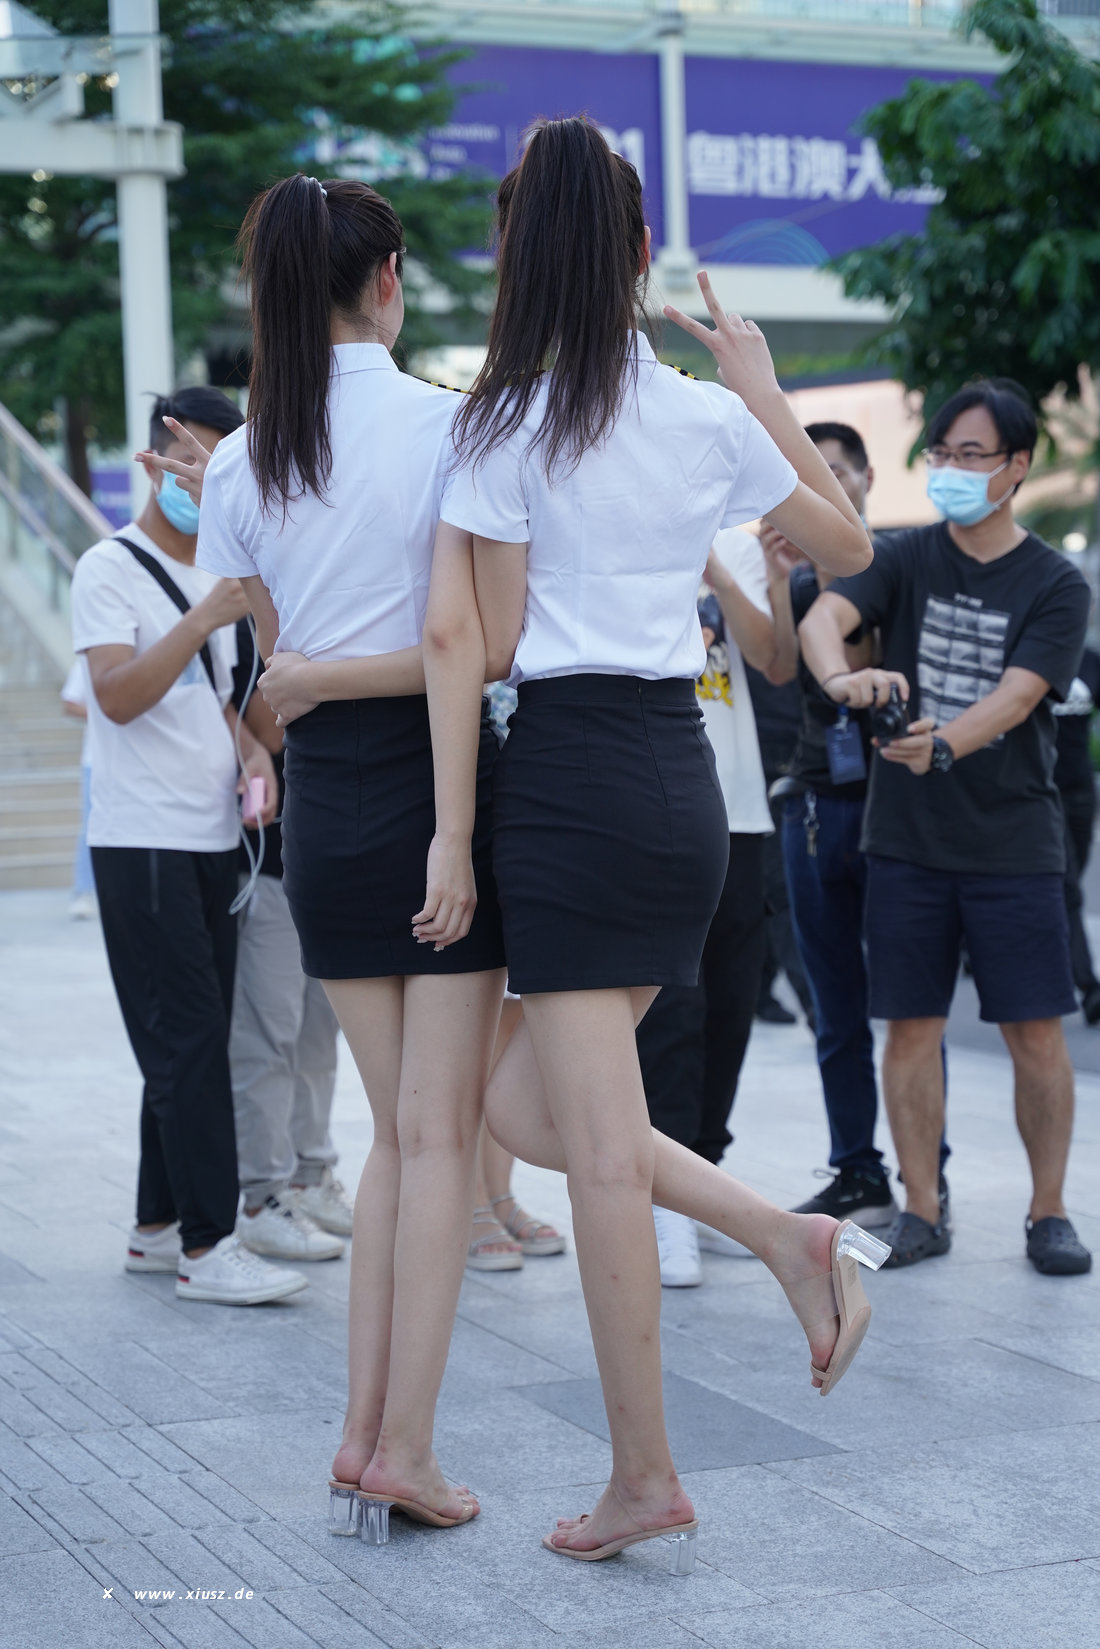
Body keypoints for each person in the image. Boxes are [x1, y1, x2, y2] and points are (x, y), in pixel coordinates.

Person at [423, 118, 885, 1565]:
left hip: (569, 775)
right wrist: (761, 390)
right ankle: (786, 1233)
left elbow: (495, 641)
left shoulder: (499, 423)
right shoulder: (696, 414)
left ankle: (645, 1475)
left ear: (512, 250)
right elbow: (850, 550)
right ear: (632, 251)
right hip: (678, 776)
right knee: (529, 1113)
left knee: (594, 1155)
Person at [194, 173, 508, 1535]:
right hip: (439, 789)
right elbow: (471, 646)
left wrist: (319, 684)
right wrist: (454, 830)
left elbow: (280, 676)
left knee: (400, 1137)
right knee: (437, 1139)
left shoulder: (237, 459)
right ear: (386, 282)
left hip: (323, 809)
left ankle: (363, 1435)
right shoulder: (453, 425)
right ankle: (405, 1450)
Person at [800, 378, 1092, 1277]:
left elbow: (1020, 695)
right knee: (910, 1029)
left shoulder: (1054, 581)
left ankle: (1049, 1210)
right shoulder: (906, 556)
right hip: (907, 843)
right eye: (942, 454)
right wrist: (840, 678)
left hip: (1014, 841)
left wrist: (942, 745)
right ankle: (922, 1208)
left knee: (1035, 1034)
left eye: (972, 455)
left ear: (1016, 466)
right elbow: (825, 617)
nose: (953, 470)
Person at [70, 385, 303, 1307]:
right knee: (193, 1041)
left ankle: (157, 1225)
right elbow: (116, 697)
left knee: (185, 1038)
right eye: (182, 460)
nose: (193, 478)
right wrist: (204, 619)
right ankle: (210, 1246)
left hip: (214, 839)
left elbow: (241, 703)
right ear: (151, 463)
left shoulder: (229, 574)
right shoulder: (108, 568)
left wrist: (256, 750)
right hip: (144, 839)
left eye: (212, 463)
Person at [642, 529, 779, 1287]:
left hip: (741, 807)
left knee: (731, 1001)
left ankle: (706, 1181)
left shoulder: (739, 544)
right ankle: (664, 1198)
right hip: (658, 802)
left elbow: (773, 658)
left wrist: (720, 574)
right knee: (671, 1009)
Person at [229, 617, 354, 1262]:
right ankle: (262, 1195)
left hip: (330, 856)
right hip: (270, 862)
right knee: (268, 1033)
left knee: (318, 1035)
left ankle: (310, 1173)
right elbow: (276, 718)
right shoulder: (246, 619)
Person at [1052, 645, 1100, 1023]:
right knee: (1067, 888)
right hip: (1040, 790)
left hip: (1081, 789)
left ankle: (973, 940)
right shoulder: (1030, 649)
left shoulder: (1091, 661)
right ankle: (1089, 986)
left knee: (1068, 882)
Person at [60, 661, 96, 920]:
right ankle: (84, 891)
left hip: (140, 762)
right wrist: (108, 713)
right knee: (91, 826)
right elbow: (70, 703)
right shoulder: (87, 661)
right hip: (97, 760)